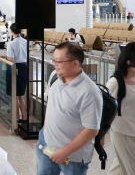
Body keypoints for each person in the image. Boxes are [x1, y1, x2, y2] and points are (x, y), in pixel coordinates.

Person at [36, 42, 102, 175]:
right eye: (53, 59)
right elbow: (51, 101)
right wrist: (45, 127)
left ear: (75, 63)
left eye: (58, 61)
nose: (54, 64)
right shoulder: (55, 76)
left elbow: (91, 129)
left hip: (73, 156)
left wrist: (64, 152)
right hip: (46, 143)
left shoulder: (89, 92)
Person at [105, 42, 135, 175]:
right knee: (134, 168)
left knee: (120, 166)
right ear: (129, 61)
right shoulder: (115, 83)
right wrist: (100, 134)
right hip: (123, 132)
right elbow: (104, 109)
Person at [5, 23, 28, 122]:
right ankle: (24, 116)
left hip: (15, 68)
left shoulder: (11, 43)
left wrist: (7, 50)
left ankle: (16, 118)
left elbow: (11, 59)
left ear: (11, 31)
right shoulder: (25, 41)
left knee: (14, 94)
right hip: (24, 66)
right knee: (20, 95)